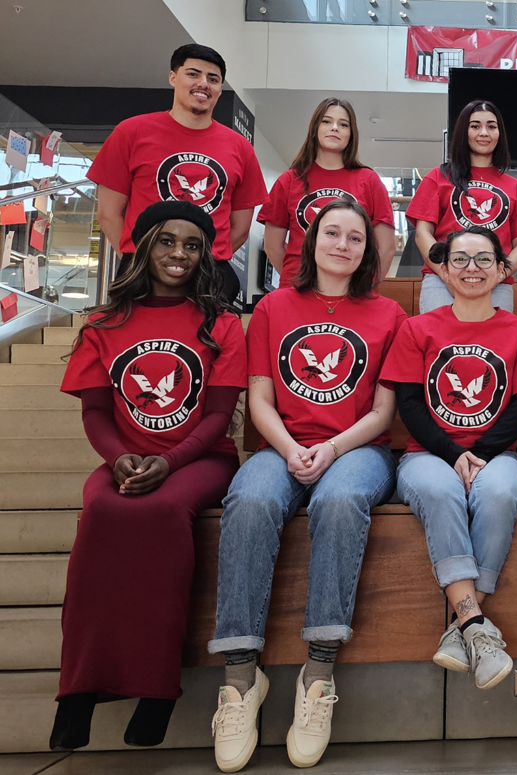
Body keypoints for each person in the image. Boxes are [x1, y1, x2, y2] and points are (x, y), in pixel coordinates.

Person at [208, 199, 406, 772]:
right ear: (311, 241)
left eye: (355, 237)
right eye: (331, 233)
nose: (343, 244)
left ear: (368, 250)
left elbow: (384, 411)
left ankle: (318, 674)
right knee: (248, 500)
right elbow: (260, 398)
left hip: (359, 449)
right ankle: (241, 680)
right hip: (283, 444)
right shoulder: (272, 307)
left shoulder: (388, 315)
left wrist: (331, 448)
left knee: (341, 500)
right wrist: (294, 448)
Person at [51, 201, 247, 751]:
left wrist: (171, 460)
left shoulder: (222, 324)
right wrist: (118, 460)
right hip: (124, 456)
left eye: (191, 244)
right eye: (167, 242)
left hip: (200, 459)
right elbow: (94, 413)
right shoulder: (104, 323)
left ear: (204, 254)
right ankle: (77, 691)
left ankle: (158, 690)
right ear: (143, 247)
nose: (179, 254)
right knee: (105, 508)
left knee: (161, 510)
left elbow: (216, 415)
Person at [380, 226, 517, 690]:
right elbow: (411, 405)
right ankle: (477, 625)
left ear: (501, 269)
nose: (472, 269)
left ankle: (464, 627)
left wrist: (481, 454)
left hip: (496, 453)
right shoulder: (417, 329)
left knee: (500, 492)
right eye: (460, 259)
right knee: (439, 490)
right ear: (442, 268)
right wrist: (455, 454)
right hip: (429, 454)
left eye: (483, 259)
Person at [88, 43, 268, 303]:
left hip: (210, 273)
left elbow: (240, 228)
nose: (204, 84)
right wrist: (141, 259)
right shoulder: (131, 132)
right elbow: (108, 213)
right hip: (142, 272)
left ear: (220, 88)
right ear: (173, 77)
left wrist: (205, 257)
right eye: (193, 74)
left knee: (211, 343)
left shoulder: (240, 148)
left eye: (213, 79)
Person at [406, 99, 517, 313]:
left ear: (499, 134)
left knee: (493, 346)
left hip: (496, 286)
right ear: (463, 132)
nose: (484, 132)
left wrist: (497, 276)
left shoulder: (516, 188)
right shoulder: (438, 177)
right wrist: (446, 273)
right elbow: (423, 234)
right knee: (440, 345)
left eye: (491, 126)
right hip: (441, 282)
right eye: (475, 126)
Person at [259, 97, 396, 288]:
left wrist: (365, 286)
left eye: (343, 124)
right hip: (297, 290)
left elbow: (387, 247)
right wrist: (300, 278)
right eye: (326, 121)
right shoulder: (288, 180)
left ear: (351, 134)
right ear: (315, 129)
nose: (334, 128)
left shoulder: (369, 180)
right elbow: (272, 246)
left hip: (352, 291)